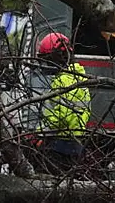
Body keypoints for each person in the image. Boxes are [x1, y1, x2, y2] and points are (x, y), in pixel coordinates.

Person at [34, 32, 91, 171]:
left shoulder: (63, 81)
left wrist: (39, 134)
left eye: (47, 60)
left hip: (60, 145)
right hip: (75, 142)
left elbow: (60, 117)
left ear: (56, 58)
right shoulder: (78, 77)